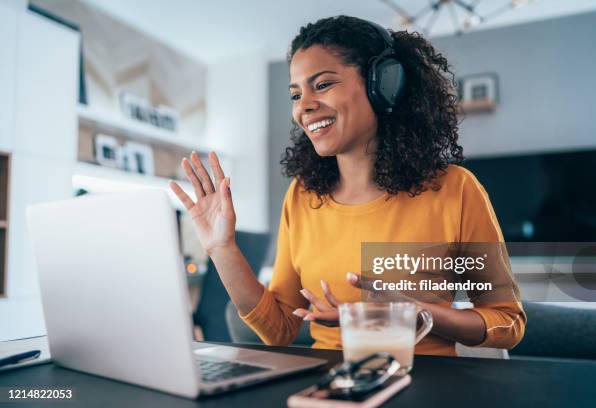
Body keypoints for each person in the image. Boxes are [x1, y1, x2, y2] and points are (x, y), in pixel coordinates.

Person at [170, 15, 526, 356]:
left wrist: (419, 315)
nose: (304, 107)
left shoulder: (455, 190)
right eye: (296, 95)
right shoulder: (303, 195)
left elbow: (507, 323)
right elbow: (279, 329)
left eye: (323, 85)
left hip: (426, 382)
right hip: (328, 385)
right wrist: (222, 248)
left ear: (384, 85)